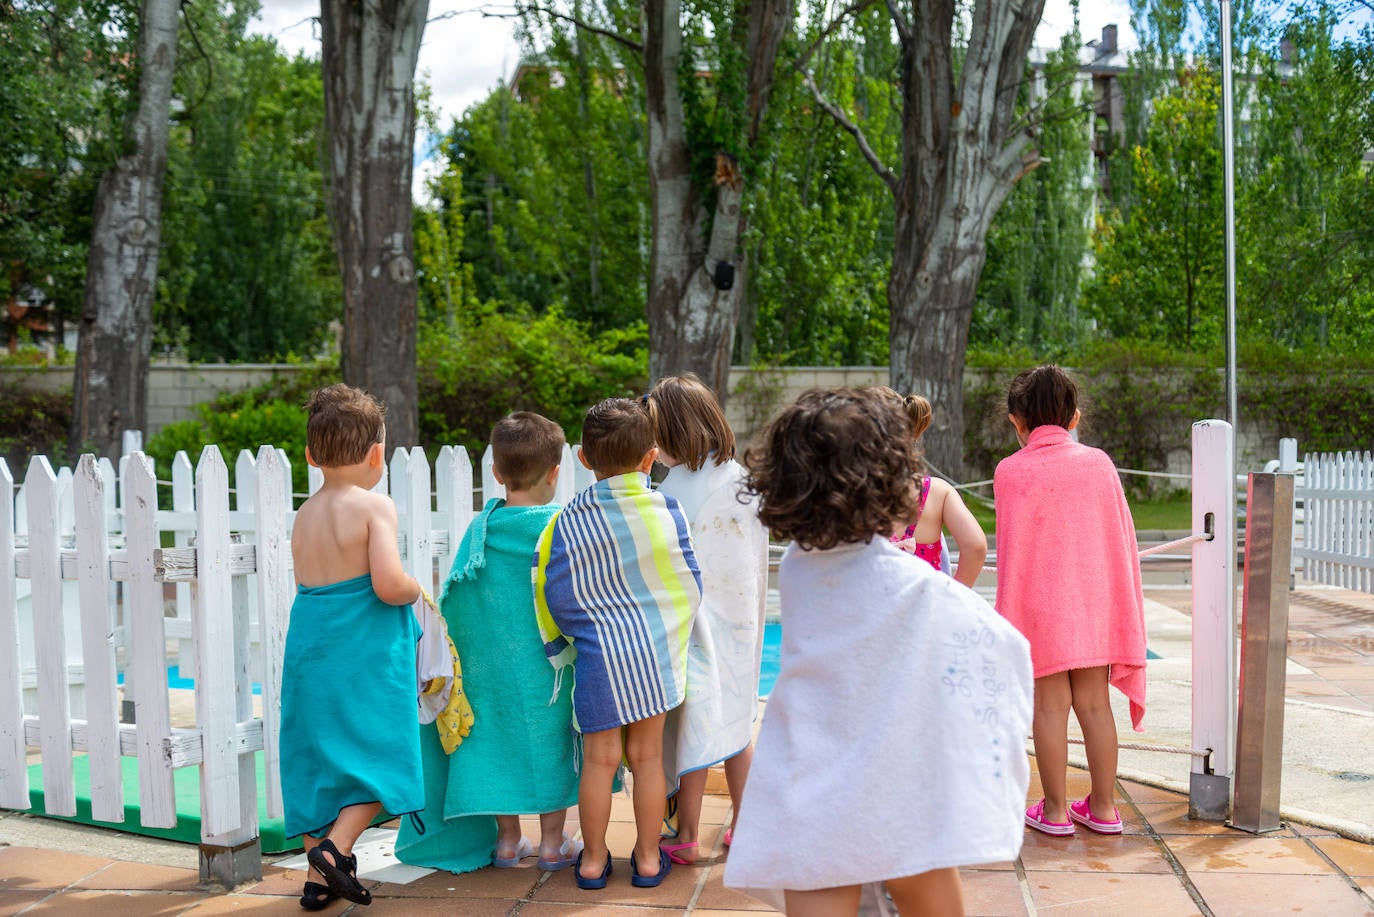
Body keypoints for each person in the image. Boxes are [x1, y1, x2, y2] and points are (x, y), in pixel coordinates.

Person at [723, 387, 1033, 917]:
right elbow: (1001, 644)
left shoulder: (799, 564)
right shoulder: (909, 581)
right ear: (890, 482)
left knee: (817, 882)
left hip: (811, 768)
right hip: (897, 778)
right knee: (923, 884)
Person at [395, 412, 583, 874]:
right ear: (557, 472)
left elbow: (455, 603)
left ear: (496, 474)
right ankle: (553, 844)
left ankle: (506, 841)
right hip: (551, 669)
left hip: (490, 668)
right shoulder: (563, 527)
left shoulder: (481, 533)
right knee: (551, 743)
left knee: (497, 742)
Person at [533, 397, 703, 890]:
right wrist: (664, 629)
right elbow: (688, 582)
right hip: (653, 655)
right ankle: (648, 859)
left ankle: (591, 860)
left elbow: (557, 592)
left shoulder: (567, 519)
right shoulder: (668, 509)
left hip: (599, 660)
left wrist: (586, 634)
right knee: (648, 758)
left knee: (601, 759)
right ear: (651, 457)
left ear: (583, 459)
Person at [279, 383, 424, 909]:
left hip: (310, 651)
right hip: (361, 655)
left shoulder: (305, 513)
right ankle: (335, 851)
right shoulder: (373, 506)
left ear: (311, 455)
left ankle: (318, 882)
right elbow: (388, 585)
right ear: (377, 454)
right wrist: (415, 588)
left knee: (317, 759)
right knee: (379, 751)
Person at [993, 364, 1147, 837]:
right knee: (1096, 706)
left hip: (1038, 612)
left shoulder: (1009, 472)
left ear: (1017, 422)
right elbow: (1120, 540)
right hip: (1092, 609)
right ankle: (1103, 808)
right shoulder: (1099, 464)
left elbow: (1013, 554)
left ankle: (1055, 810)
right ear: (1075, 417)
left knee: (1049, 708)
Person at [644, 374, 768, 865]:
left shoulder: (670, 488)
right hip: (741, 620)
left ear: (673, 432)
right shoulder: (743, 480)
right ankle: (749, 822)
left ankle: (689, 833)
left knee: (692, 725)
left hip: (692, 626)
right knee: (738, 725)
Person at [887, 392, 988, 588]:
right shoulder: (937, 492)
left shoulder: (852, 494)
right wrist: (955, 596)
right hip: (927, 609)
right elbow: (975, 547)